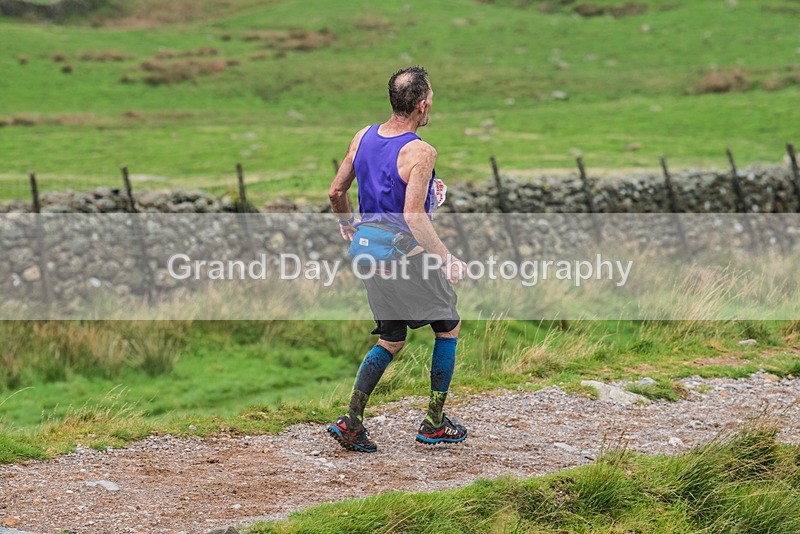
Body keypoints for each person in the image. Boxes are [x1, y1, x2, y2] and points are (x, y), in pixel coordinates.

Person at [326, 66, 468, 453]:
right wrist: (446, 258)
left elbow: (336, 191)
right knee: (448, 325)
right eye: (431, 99)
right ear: (422, 105)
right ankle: (434, 423)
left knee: (391, 338)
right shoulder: (421, 152)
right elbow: (413, 216)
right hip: (405, 254)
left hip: (369, 253)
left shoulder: (363, 136)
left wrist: (347, 224)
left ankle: (352, 422)